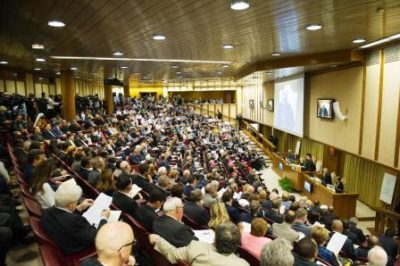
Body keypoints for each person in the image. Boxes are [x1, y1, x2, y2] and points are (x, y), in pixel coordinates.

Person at [41, 180, 110, 255]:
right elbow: (96, 237)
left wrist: (80, 207)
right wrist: (104, 218)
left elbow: (64, 216)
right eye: (76, 201)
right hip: (78, 250)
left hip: (66, 241)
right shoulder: (74, 221)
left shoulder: (47, 211)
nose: (77, 202)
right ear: (70, 205)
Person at [149, 222, 249, 266]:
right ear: (236, 244)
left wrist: (158, 240)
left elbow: (172, 254)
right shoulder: (243, 264)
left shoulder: (196, 247)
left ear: (215, 239)